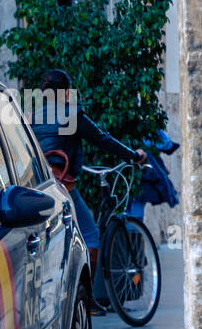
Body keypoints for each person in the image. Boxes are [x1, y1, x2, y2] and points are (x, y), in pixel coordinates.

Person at [30, 69, 145, 314]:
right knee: (91, 235)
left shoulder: (33, 115)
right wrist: (133, 156)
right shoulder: (72, 114)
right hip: (61, 185)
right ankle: (88, 300)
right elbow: (102, 138)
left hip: (38, 184)